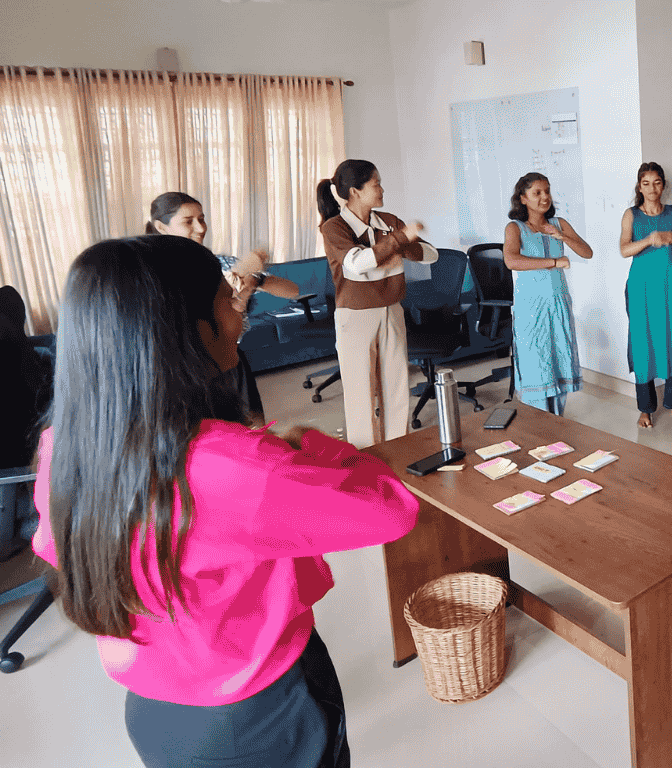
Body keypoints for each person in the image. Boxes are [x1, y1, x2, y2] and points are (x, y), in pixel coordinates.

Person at [32, 235, 421, 768]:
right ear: (189, 331)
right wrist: (309, 444)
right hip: (259, 713)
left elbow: (58, 548)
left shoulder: (61, 448)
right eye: (227, 300)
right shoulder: (234, 466)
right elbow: (390, 509)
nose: (239, 315)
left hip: (154, 711)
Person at [147, 191, 300, 426]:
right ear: (161, 226)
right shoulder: (154, 274)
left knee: (253, 434)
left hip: (231, 364)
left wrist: (255, 280)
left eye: (202, 218)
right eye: (189, 221)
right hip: (183, 372)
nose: (200, 228)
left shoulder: (221, 263)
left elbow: (292, 291)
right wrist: (230, 285)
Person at [317, 159, 437, 449]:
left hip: (392, 310)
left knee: (396, 388)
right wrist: (397, 241)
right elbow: (358, 263)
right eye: (376, 184)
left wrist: (402, 244)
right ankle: (365, 456)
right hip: (356, 317)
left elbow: (431, 254)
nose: (382, 189)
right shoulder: (335, 228)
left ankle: (399, 450)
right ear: (355, 191)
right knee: (361, 393)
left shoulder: (389, 222)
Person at [503, 172, 594, 416]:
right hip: (531, 308)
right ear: (523, 199)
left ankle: (557, 421)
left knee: (559, 362)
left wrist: (561, 237)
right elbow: (511, 260)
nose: (545, 197)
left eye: (547, 191)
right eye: (537, 193)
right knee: (537, 365)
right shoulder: (515, 228)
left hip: (558, 303)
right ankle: (540, 425)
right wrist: (554, 262)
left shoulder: (559, 224)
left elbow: (587, 252)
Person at [619, 162, 672, 428]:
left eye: (657, 182)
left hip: (669, 284)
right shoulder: (631, 215)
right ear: (639, 186)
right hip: (641, 287)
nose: (652, 188)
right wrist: (649, 240)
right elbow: (624, 249)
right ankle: (646, 409)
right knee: (643, 343)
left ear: (663, 185)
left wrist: (669, 236)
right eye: (646, 183)